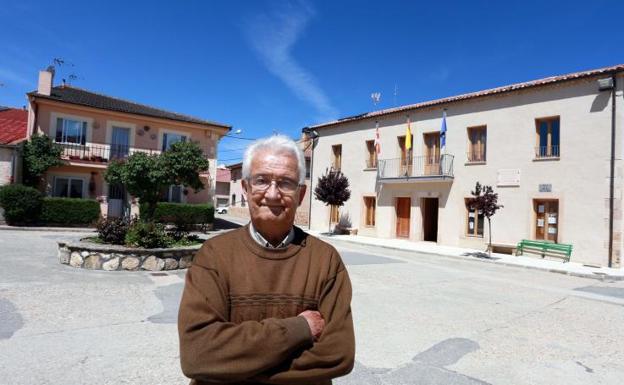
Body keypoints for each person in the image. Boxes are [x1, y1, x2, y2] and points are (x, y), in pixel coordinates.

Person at [178, 135, 355, 385]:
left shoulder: (325, 260)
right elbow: (198, 355)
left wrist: (237, 366)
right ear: (246, 188)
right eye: (261, 181)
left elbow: (338, 354)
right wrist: (300, 329)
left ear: (301, 194)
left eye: (285, 183)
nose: (272, 194)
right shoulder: (214, 255)